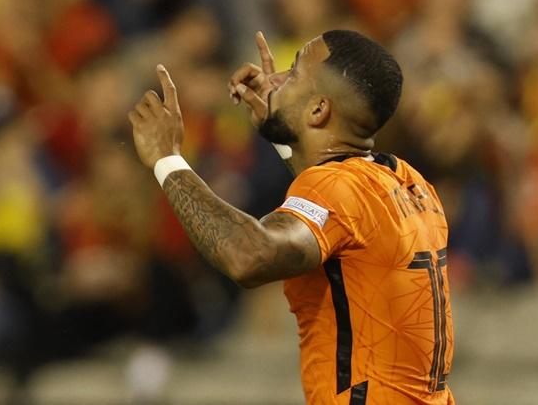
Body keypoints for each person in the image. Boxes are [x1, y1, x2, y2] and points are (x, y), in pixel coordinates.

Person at [128, 30, 455, 404]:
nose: (275, 79)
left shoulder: (338, 189)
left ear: (318, 110)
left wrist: (167, 159)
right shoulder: (408, 182)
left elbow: (249, 256)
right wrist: (285, 130)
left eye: (294, 74)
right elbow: (335, 214)